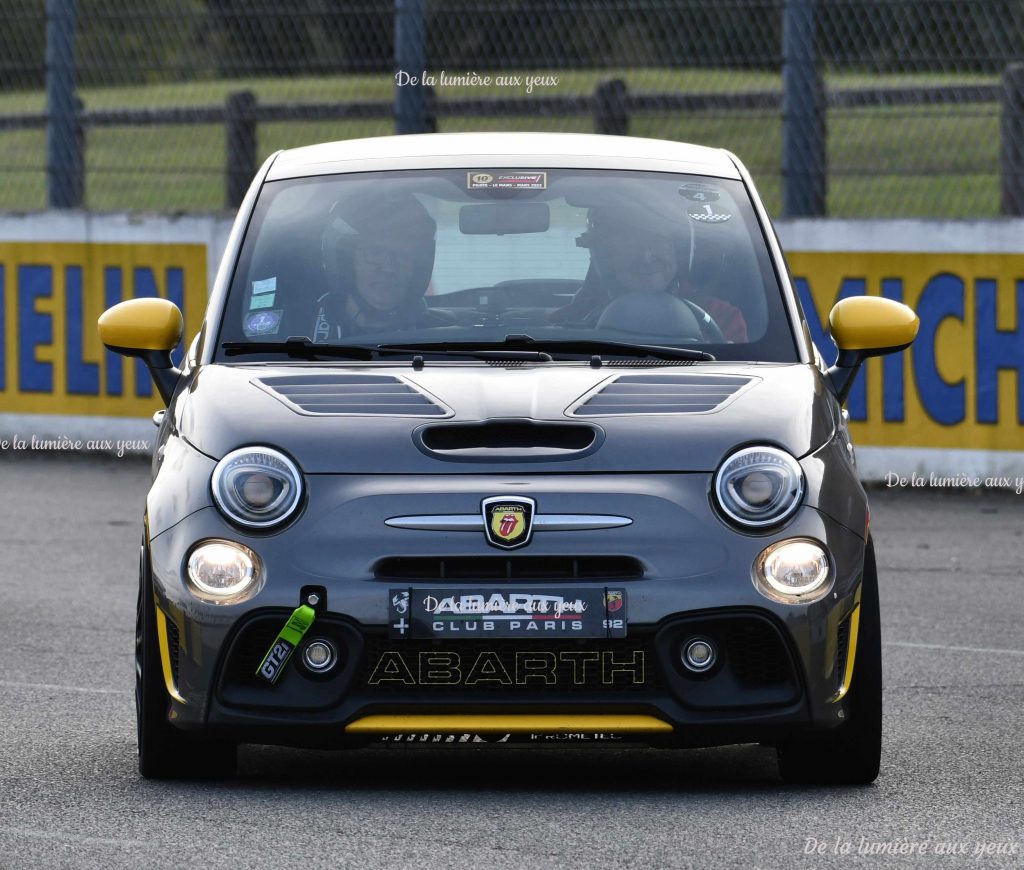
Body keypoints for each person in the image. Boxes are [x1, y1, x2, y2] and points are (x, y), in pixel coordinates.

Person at [551, 204, 748, 342]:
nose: (646, 257)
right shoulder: (571, 322)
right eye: (631, 244)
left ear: (679, 251)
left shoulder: (722, 319)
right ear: (607, 256)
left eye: (657, 240)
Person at [311, 192, 450, 340]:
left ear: (417, 268)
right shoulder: (296, 328)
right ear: (347, 262)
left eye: (403, 255)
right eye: (376, 253)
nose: (389, 268)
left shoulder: (442, 340)